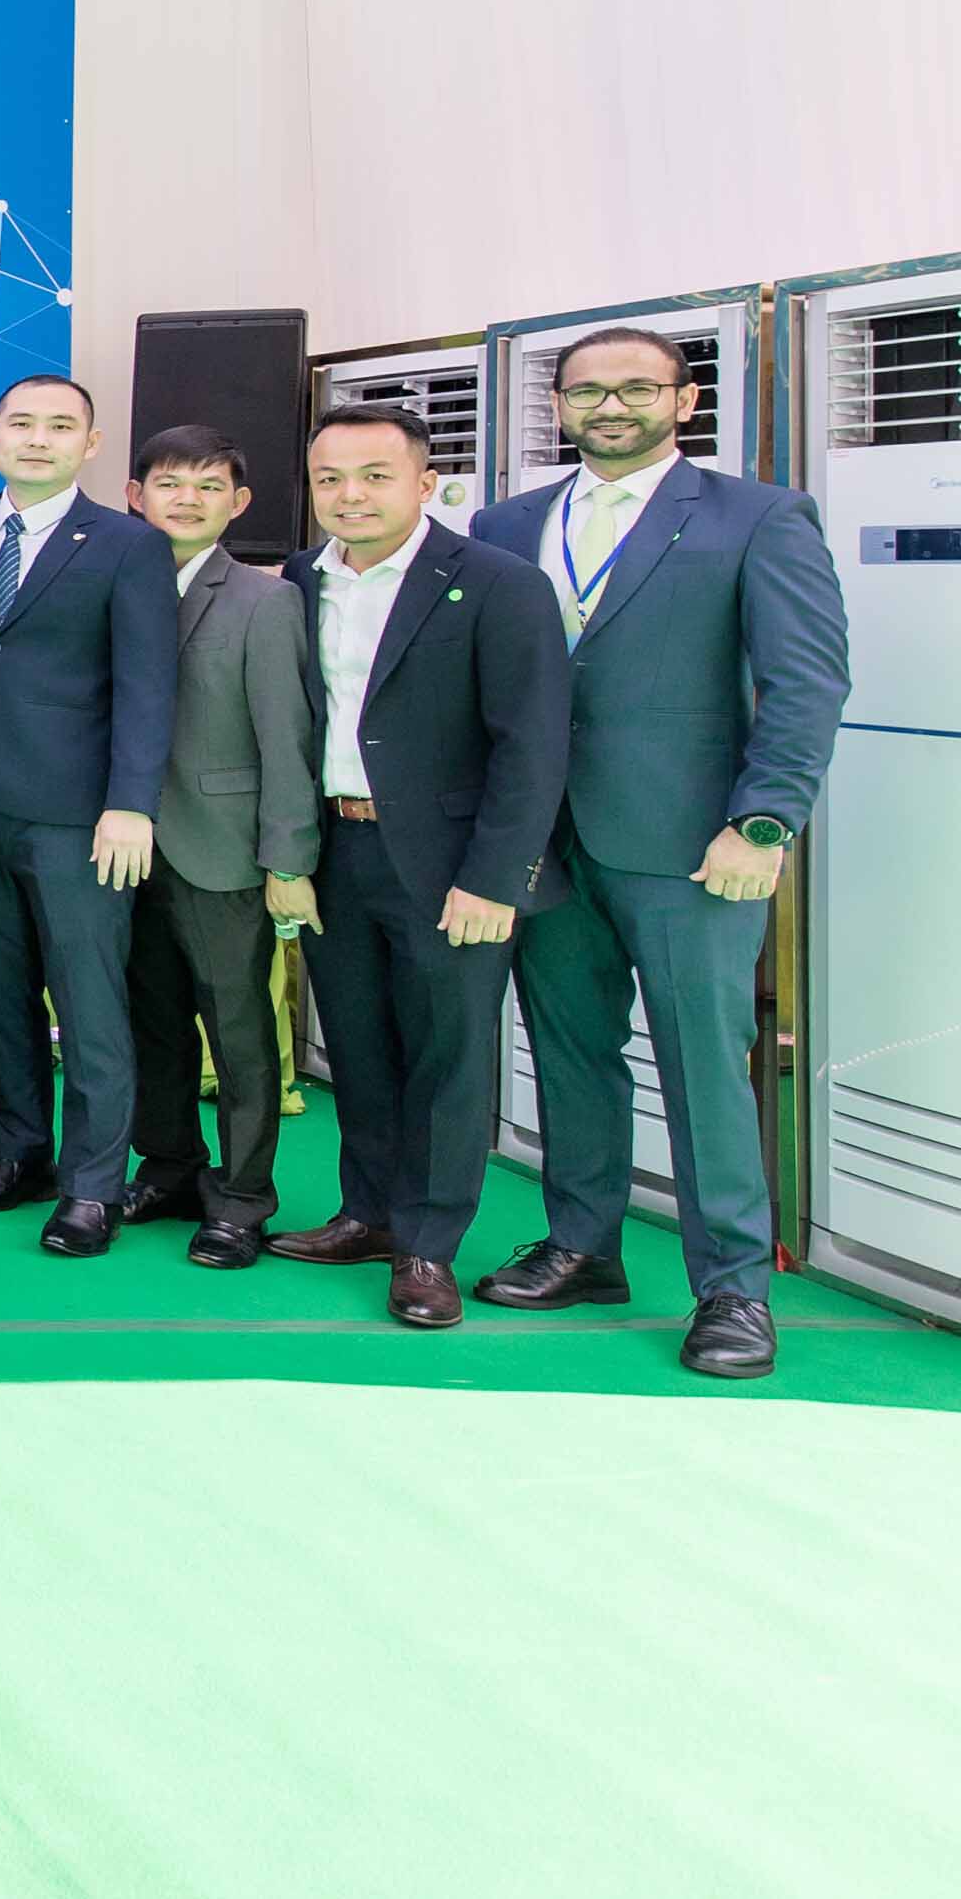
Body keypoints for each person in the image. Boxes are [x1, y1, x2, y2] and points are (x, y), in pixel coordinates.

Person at [467, 328, 848, 1377]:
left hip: (692, 846)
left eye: (637, 387)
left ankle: (733, 1289)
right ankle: (582, 1245)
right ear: (559, 406)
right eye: (587, 390)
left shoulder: (757, 516)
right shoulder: (505, 524)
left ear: (684, 401)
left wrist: (765, 821)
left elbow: (807, 681)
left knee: (701, 1067)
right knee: (568, 1051)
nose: (611, 405)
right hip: (543, 842)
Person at [274, 402, 573, 1329]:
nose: (351, 495)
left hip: (453, 865)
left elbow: (532, 745)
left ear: (426, 483)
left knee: (447, 1055)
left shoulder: (498, 583)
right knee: (356, 1045)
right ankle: (367, 1214)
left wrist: (496, 877)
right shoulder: (299, 579)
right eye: (330, 478)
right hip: (337, 849)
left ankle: (428, 1245)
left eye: (375, 476)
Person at [0, 374, 180, 1255]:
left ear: (91, 444)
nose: (38, 439)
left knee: (90, 1004)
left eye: (59, 426)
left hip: (82, 818)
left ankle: (92, 1187)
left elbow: (149, 686)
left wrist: (130, 805)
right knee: (1, 997)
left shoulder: (130, 545)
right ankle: (20, 1155)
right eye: (22, 424)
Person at [117, 427, 322, 1270]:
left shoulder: (266, 601)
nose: (188, 499)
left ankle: (241, 1199)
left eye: (209, 486)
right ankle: (168, 1169)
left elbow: (287, 739)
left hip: (224, 850)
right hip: (123, 850)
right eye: (171, 483)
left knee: (237, 1032)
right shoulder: (113, 585)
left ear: (238, 503)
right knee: (151, 1023)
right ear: (136, 496)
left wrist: (287, 859)